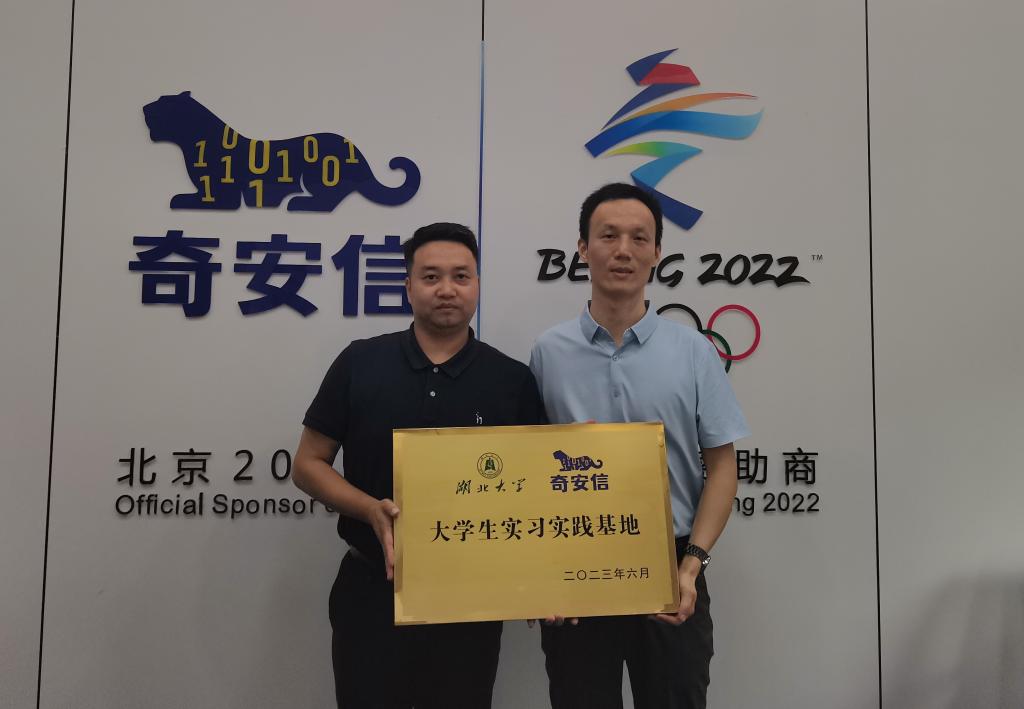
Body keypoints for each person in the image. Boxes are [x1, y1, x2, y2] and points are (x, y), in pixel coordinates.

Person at [293, 222, 545, 709]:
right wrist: (369, 508)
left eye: (461, 276)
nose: (447, 289)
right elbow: (308, 464)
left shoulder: (511, 380)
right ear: (408, 286)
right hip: (371, 591)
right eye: (431, 277)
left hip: (470, 600)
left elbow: (532, 491)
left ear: (477, 285)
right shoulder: (360, 362)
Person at [529, 183, 750, 709]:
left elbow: (722, 467)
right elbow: (531, 469)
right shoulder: (548, 352)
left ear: (657, 253)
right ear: (583, 249)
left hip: (671, 570)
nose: (623, 250)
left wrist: (692, 565)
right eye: (608, 236)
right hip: (578, 568)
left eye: (638, 238)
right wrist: (543, 574)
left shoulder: (693, 351)